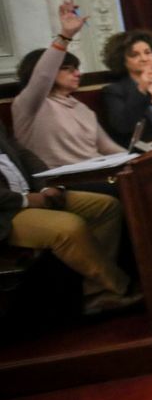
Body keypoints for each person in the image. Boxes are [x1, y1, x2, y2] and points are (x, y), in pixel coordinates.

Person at [1, 120, 138, 315]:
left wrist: (45, 186)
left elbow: (24, 154)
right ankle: (120, 286)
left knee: (106, 207)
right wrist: (25, 200)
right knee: (69, 227)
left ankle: (97, 291)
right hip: (6, 212)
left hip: (30, 193)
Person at [13, 0, 125, 168]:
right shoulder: (29, 105)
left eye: (77, 69)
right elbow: (43, 76)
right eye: (67, 69)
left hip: (99, 171)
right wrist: (66, 35)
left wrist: (139, 160)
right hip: (62, 179)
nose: (78, 74)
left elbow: (108, 147)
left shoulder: (80, 107)